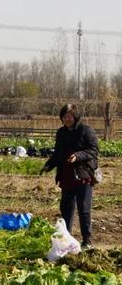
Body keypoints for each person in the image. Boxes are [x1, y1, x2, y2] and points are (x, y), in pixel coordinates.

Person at [40, 104, 97, 249]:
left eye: (70, 116)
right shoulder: (61, 133)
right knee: (66, 208)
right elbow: (58, 154)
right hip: (66, 175)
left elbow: (93, 150)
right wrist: (48, 165)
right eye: (65, 116)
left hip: (83, 174)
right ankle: (67, 238)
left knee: (83, 208)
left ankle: (87, 241)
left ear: (75, 116)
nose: (67, 119)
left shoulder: (86, 130)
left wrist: (77, 156)